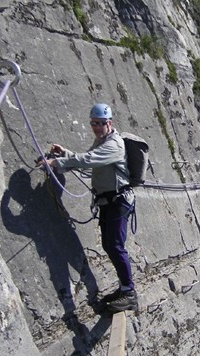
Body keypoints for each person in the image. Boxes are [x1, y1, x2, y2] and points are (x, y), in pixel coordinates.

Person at [38, 103, 137, 312]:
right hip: (109, 203)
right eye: (93, 123)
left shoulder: (114, 144)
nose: (95, 127)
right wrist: (65, 154)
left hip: (119, 202)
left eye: (99, 124)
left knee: (116, 246)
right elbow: (86, 160)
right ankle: (124, 288)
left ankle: (129, 294)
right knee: (110, 245)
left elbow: (89, 160)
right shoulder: (102, 140)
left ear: (109, 123)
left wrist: (57, 162)